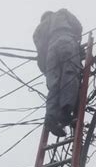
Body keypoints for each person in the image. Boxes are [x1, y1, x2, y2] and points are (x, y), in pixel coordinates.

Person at [33, 9, 83, 137]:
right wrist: (77, 43)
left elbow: (40, 53)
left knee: (54, 83)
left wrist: (48, 69)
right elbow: (78, 26)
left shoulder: (40, 29)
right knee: (70, 75)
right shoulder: (61, 12)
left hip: (50, 51)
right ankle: (65, 111)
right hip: (66, 39)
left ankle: (50, 116)